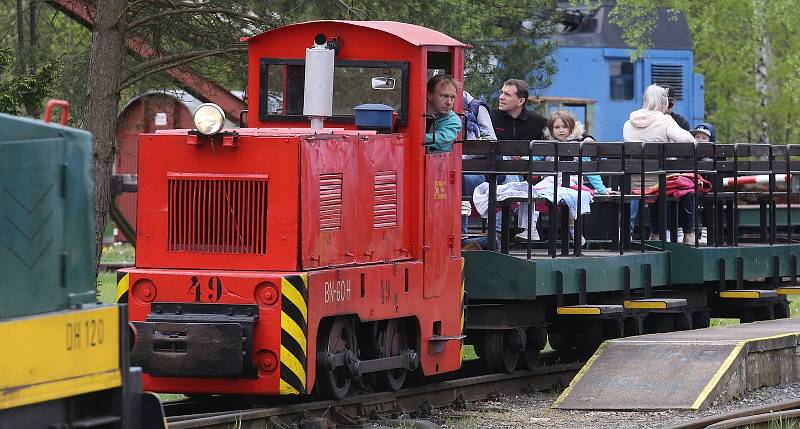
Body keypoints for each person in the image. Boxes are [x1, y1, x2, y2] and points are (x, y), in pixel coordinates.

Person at [517, 110, 615, 243]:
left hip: (572, 182)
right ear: (551, 130)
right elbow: (535, 158)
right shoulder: (547, 146)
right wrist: (524, 159)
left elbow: (590, 170)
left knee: (572, 200)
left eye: (565, 127)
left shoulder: (578, 146)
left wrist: (601, 188)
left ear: (571, 128)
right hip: (551, 181)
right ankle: (530, 229)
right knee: (532, 193)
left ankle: (575, 232)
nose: (561, 130)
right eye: (556, 127)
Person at [623, 84, 697, 244]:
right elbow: (689, 141)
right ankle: (688, 235)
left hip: (635, 181)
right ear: (663, 103)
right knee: (687, 185)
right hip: (661, 182)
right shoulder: (665, 121)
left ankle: (641, 236)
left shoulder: (628, 123)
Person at [425, 74, 461, 153]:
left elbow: (442, 140)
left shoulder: (453, 120)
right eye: (444, 96)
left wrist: (414, 138)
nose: (449, 102)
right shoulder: (414, 115)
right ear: (430, 95)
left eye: (452, 97)